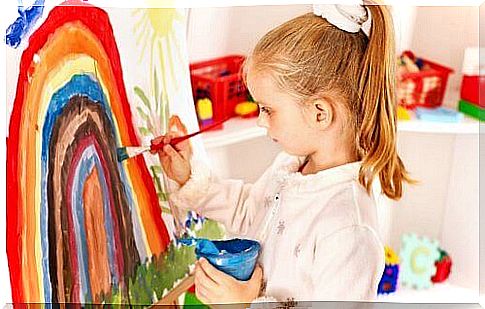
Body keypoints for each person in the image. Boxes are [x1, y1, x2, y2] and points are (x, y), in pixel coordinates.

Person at [153, 2, 413, 305]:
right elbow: (248, 211)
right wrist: (189, 177)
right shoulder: (291, 168)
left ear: (319, 114)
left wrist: (245, 304)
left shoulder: (349, 230)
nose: (261, 120)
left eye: (268, 109)